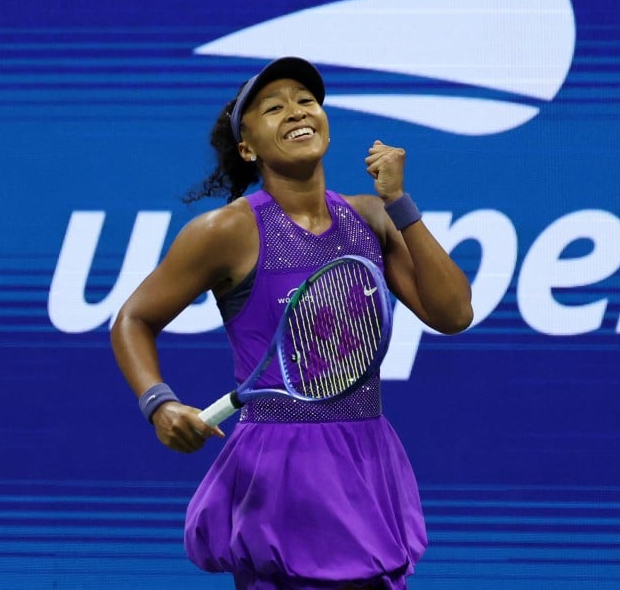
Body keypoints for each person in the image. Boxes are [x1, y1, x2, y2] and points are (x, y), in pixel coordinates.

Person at [111, 57, 473, 589]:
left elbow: (453, 312)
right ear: (247, 147)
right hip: (281, 468)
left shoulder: (371, 217)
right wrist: (159, 403)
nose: (297, 111)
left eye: (306, 101)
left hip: (366, 458)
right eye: (273, 107)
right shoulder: (225, 231)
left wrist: (398, 202)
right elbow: (134, 318)